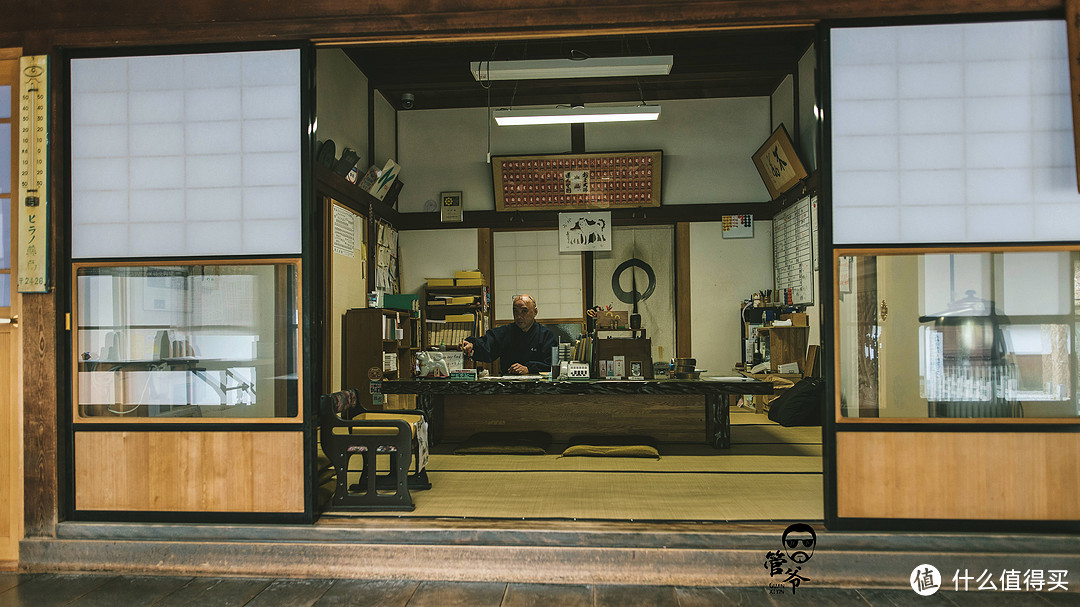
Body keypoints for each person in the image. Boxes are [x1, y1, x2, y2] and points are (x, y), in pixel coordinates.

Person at [460, 294, 558, 375]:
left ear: (535, 312)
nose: (519, 316)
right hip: (508, 385)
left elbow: (553, 365)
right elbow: (487, 344)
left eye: (524, 311)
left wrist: (529, 368)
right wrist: (472, 345)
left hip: (538, 388)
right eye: (515, 311)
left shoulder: (546, 336)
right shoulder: (505, 332)